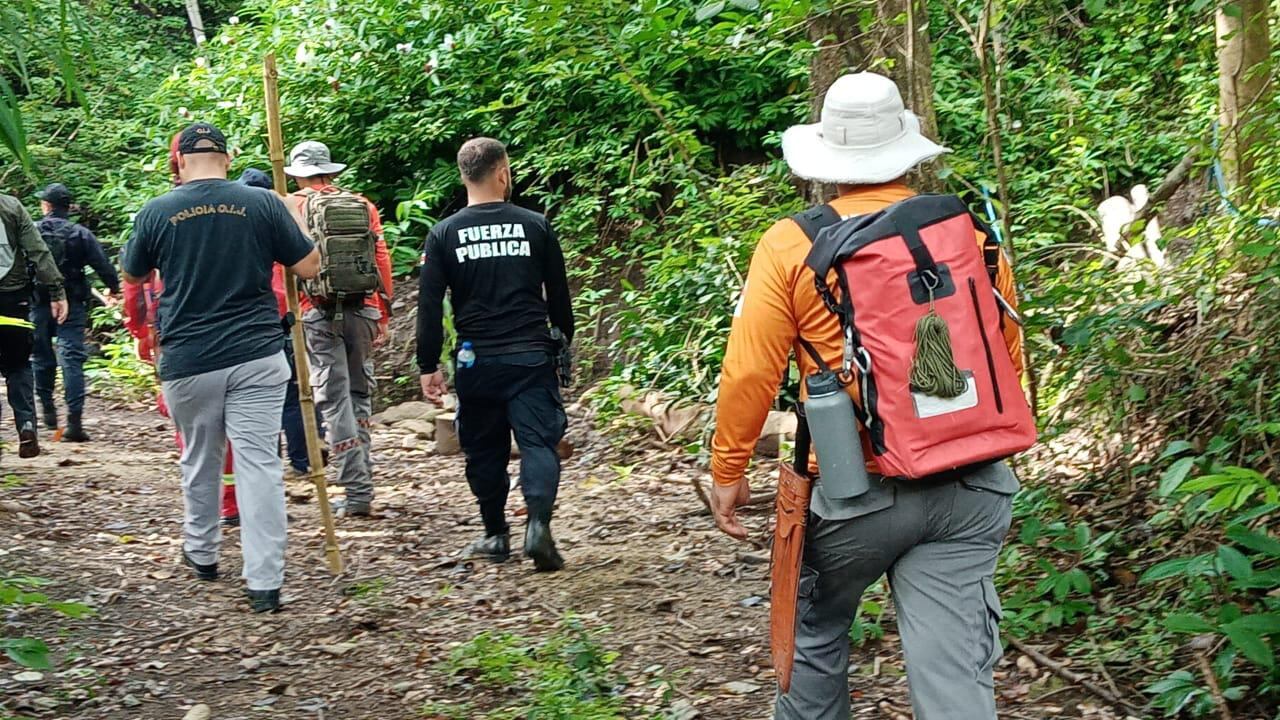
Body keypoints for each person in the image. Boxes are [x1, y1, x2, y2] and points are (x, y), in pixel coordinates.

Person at [708, 73, 1026, 720]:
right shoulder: (967, 232)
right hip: (968, 485)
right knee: (955, 680)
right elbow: (1006, 357)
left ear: (827, 159)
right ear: (906, 147)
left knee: (816, 635)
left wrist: (728, 469)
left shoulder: (791, 245)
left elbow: (750, 374)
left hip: (853, 492)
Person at [122, 122, 319, 612]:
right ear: (227, 159)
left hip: (189, 359)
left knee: (200, 458)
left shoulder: (157, 211)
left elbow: (132, 272)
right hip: (256, 354)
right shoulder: (263, 203)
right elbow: (310, 268)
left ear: (181, 162)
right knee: (259, 465)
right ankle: (265, 583)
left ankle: (203, 552)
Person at [417, 137, 574, 572]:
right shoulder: (535, 225)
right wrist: (564, 341)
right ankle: (538, 526)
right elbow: (558, 294)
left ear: (464, 175)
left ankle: (494, 533)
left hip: (475, 359)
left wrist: (427, 364)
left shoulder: (444, 233)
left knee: (483, 450)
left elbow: (429, 304)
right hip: (529, 355)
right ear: (503, 173)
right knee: (538, 442)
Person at [283, 141, 392, 517]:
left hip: (318, 313)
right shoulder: (363, 205)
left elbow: (284, 268)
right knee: (359, 393)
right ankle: (365, 477)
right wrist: (384, 312)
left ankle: (357, 490)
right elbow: (380, 259)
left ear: (297, 174)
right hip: (363, 309)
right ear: (330, 171)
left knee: (333, 399)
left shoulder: (290, 205)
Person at [238, 167, 323, 480]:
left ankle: (269, 461)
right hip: (284, 321)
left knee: (262, 401)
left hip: (255, 324)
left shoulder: (241, 226)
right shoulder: (278, 224)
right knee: (292, 397)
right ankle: (303, 460)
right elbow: (308, 263)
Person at [30, 183, 121, 441]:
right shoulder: (80, 234)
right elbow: (102, 265)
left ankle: (47, 410)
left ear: (46, 206)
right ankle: (74, 422)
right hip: (73, 302)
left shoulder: (33, 232)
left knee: (41, 356)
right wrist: (114, 289)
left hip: (39, 302)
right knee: (71, 358)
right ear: (68, 207)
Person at [0, 192, 66, 460]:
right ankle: (26, 425)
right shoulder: (11, 207)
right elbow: (37, 250)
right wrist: (57, 290)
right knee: (18, 365)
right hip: (13, 299)